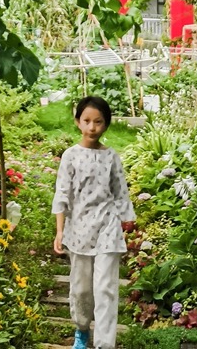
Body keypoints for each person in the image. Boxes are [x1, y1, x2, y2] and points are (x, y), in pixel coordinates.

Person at [52, 96, 135, 349]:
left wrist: (127, 224)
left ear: (106, 124)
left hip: (107, 228)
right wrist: (59, 231)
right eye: (87, 121)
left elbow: (120, 193)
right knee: (81, 289)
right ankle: (81, 328)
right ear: (78, 122)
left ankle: (104, 344)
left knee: (105, 289)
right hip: (79, 229)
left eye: (98, 122)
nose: (92, 127)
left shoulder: (111, 157)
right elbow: (62, 193)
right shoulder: (70, 156)